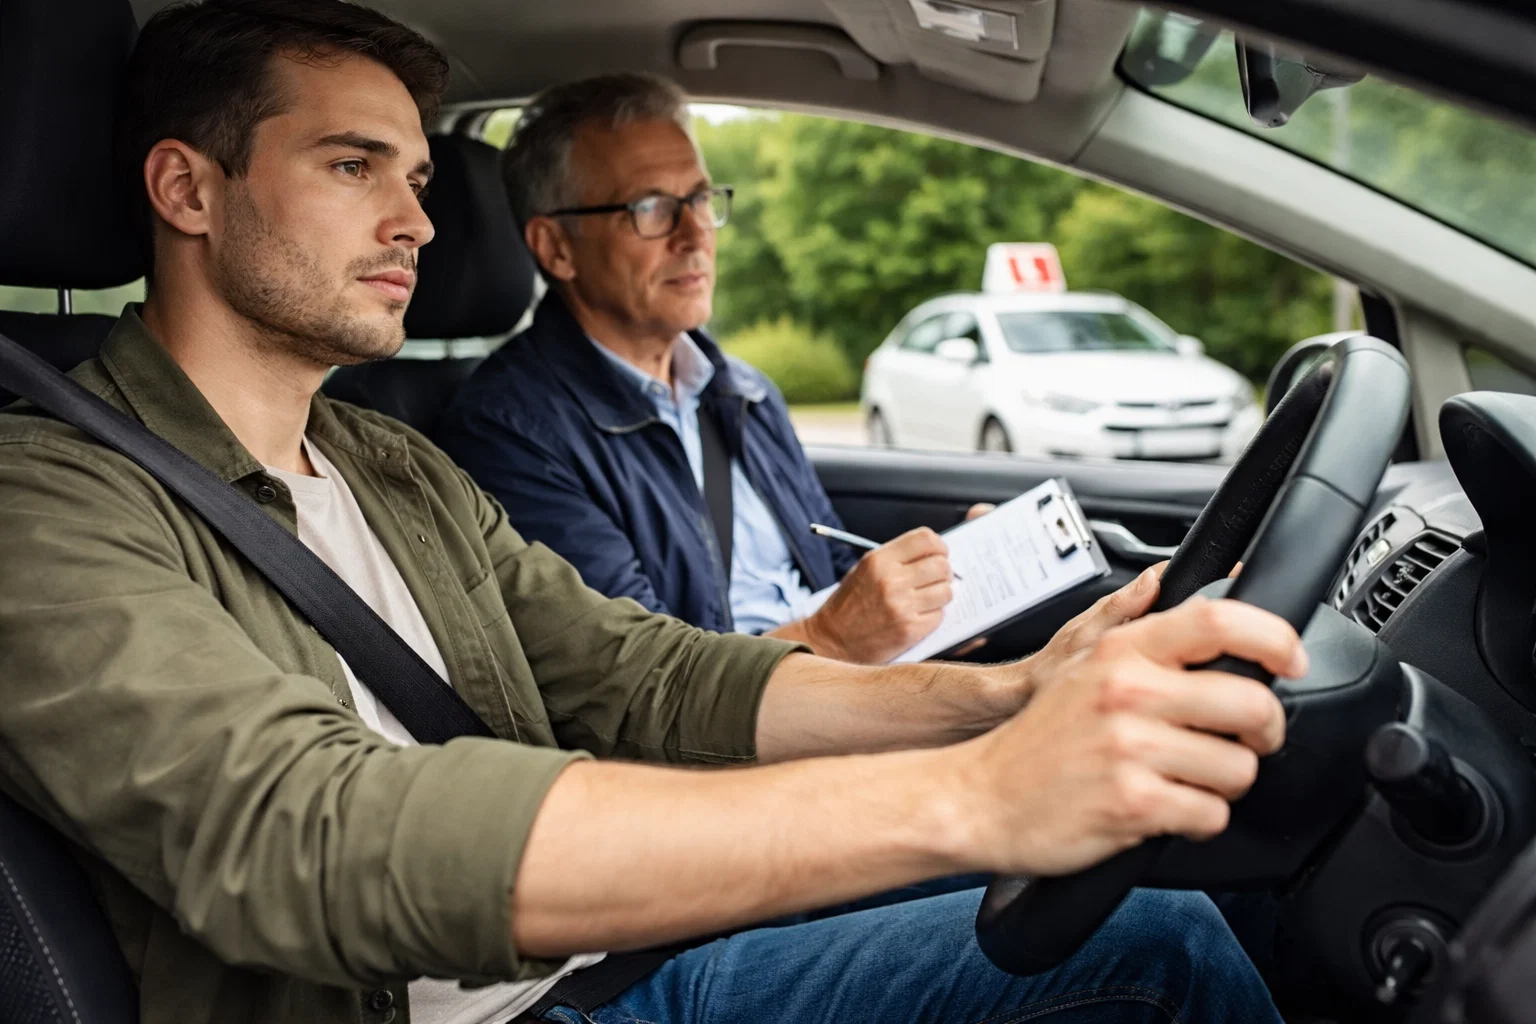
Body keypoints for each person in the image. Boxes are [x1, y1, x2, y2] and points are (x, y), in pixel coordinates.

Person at [0, 3, 1301, 1022]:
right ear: (188, 190)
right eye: (354, 166)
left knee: (1144, 866)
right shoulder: (47, 499)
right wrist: (971, 795)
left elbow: (648, 675)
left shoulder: (390, 463)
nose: (417, 223)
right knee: (1158, 949)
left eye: (418, 178)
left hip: (604, 961)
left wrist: (1007, 695)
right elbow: (310, 832)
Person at [435, 73, 989, 665]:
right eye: (651, 208)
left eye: (700, 199)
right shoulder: (509, 434)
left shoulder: (744, 391)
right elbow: (637, 681)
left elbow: (827, 566)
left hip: (839, 687)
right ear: (556, 248)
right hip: (753, 717)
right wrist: (831, 637)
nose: (696, 233)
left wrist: (928, 592)